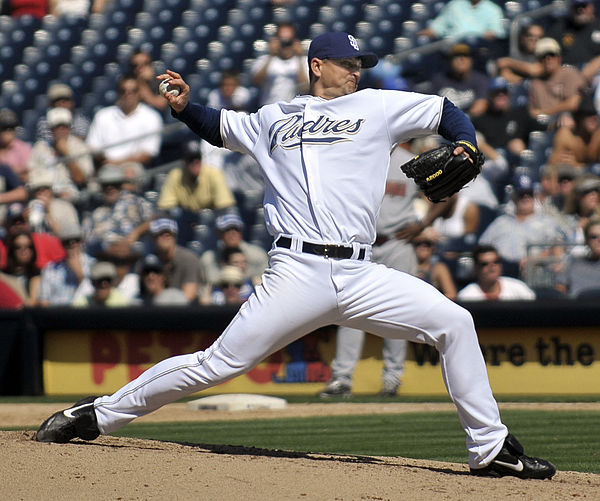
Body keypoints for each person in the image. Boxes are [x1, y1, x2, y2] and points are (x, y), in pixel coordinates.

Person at [35, 31, 556, 480]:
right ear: (317, 66)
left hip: (359, 271)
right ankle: (98, 415)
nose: (356, 72)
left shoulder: (376, 105)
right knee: (218, 364)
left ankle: (490, 451)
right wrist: (182, 107)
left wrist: (464, 144)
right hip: (295, 271)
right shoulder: (271, 118)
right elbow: (218, 126)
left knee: (455, 323)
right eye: (349, 64)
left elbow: (446, 111)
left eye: (360, 65)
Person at [320, 144, 451, 398]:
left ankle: (392, 378)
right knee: (349, 311)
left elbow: (447, 193)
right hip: (361, 243)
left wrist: (423, 224)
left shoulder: (409, 160)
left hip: (397, 242)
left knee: (398, 314)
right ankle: (342, 378)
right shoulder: (356, 155)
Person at [479, 173, 567, 275]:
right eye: (521, 194)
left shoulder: (548, 222)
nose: (525, 197)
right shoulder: (500, 222)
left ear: (534, 196)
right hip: (503, 274)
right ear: (513, 196)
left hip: (536, 275)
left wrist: (535, 259)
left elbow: (558, 249)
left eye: (529, 193)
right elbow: (483, 248)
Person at [86, 74, 163, 181]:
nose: (128, 95)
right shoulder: (102, 115)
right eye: (124, 91)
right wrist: (105, 161)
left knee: (130, 174)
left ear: (139, 93)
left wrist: (117, 163)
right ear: (118, 93)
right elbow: (93, 146)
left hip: (134, 166)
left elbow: (148, 154)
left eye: (133, 91)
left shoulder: (151, 117)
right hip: (106, 166)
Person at [157, 140, 236, 243]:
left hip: (212, 224)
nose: (195, 162)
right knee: (175, 215)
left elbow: (225, 206)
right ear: (184, 162)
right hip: (186, 225)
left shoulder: (213, 173)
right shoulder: (176, 176)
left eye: (197, 158)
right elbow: (166, 207)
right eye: (190, 159)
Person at [82, 164, 154, 258]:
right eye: (106, 185)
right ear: (101, 187)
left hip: (134, 254)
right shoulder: (94, 213)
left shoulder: (136, 202)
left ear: (121, 185)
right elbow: (88, 244)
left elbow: (155, 219)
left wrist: (135, 233)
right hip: (107, 258)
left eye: (114, 184)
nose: (110, 188)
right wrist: (111, 249)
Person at [28, 107, 94, 202]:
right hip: (45, 193)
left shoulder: (80, 147)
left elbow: (81, 179)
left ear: (70, 127)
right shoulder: (40, 147)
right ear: (51, 129)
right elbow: (31, 175)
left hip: (72, 195)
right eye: (57, 127)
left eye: (64, 126)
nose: (61, 130)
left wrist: (65, 152)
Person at [528, 38, 587, 127]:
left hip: (569, 125)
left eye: (551, 54)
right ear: (538, 60)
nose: (548, 59)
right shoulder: (535, 82)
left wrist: (543, 112)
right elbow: (532, 112)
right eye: (543, 56)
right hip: (542, 127)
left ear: (559, 57)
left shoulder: (569, 74)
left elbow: (573, 103)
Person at [200, 212, 268, 286]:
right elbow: (204, 287)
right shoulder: (208, 259)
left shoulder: (258, 255)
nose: (232, 233)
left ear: (241, 232)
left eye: (236, 229)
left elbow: (267, 283)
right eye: (227, 230)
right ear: (219, 233)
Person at [149, 217, 207, 303]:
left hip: (187, 312)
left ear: (175, 236)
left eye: (168, 234)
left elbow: (189, 296)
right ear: (153, 238)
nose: (165, 237)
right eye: (160, 234)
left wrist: (159, 292)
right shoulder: (150, 262)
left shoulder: (189, 259)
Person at [250, 22, 309, 106]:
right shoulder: (264, 60)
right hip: (269, 108)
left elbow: (305, 87)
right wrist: (271, 55)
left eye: (289, 41)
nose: (286, 45)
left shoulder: (303, 61)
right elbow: (256, 81)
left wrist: (299, 57)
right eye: (282, 41)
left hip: (293, 110)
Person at [38, 225, 95, 306]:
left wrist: (80, 275)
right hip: (58, 314)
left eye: (76, 240)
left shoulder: (94, 265)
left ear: (82, 242)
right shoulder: (50, 269)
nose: (72, 244)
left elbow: (95, 294)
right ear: (61, 244)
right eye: (67, 242)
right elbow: (44, 300)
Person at [457, 245, 536, 301]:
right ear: (476, 268)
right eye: (485, 264)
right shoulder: (466, 296)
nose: (492, 267)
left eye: (496, 262)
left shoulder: (518, 287)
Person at [430, 43, 489, 118]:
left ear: (471, 60)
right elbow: (432, 107)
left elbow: (481, 106)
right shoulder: (439, 80)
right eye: (456, 56)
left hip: (472, 124)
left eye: (465, 55)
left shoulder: (480, 79)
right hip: (445, 124)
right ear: (449, 61)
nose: (461, 59)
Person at [417, 0, 506, 43]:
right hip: (452, 49)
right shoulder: (455, 5)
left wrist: (473, 37)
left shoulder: (493, 10)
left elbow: (496, 33)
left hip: (478, 50)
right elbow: (436, 28)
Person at [25, 169, 80, 235]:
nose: (42, 192)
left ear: (51, 190)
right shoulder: (31, 208)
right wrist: (26, 220)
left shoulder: (65, 207)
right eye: (37, 190)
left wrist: (47, 212)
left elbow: (65, 234)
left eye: (45, 189)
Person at [556, 217, 600, 297]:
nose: (598, 240)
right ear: (587, 240)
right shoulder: (574, 262)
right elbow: (560, 288)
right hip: (577, 307)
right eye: (593, 237)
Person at [413, 227, 458, 300]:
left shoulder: (439, 268)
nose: (423, 247)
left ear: (433, 247)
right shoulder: (405, 266)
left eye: (427, 244)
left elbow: (451, 294)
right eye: (418, 243)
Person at [1, 230, 41, 305]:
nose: (24, 251)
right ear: (12, 250)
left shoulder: (39, 274)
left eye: (28, 247)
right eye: (18, 247)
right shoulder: (3, 276)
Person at [0, 109, 31, 184]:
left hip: (19, 186)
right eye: (5, 128)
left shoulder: (24, 147)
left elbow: (28, 172)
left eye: (12, 128)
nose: (8, 131)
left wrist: (6, 172)